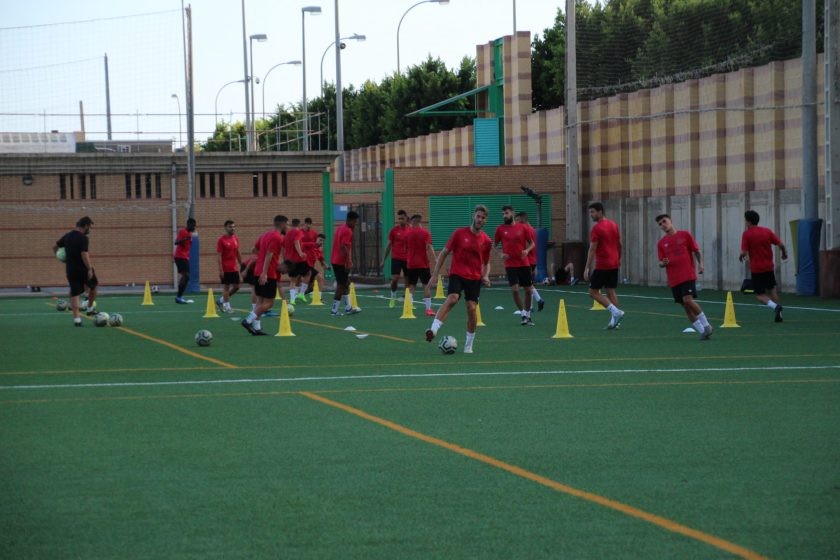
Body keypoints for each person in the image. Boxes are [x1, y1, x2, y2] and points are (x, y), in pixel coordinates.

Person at [425, 205, 492, 354]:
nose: (480, 219)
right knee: (453, 298)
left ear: (485, 221)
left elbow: (487, 263)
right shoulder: (459, 233)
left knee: (471, 308)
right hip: (457, 274)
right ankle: (433, 330)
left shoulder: (486, 241)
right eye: (478, 216)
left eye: (483, 217)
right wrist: (435, 274)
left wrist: (486, 275)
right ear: (473, 216)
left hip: (474, 278)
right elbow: (444, 253)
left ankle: (468, 345)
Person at [656, 214, 713, 340]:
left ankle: (707, 325)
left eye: (664, 221)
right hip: (674, 279)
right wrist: (662, 263)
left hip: (687, 274)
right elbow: (660, 262)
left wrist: (701, 265)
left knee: (688, 300)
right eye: (660, 224)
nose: (663, 225)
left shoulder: (685, 235)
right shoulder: (661, 243)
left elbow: (696, 251)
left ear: (671, 220)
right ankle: (702, 331)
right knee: (686, 307)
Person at [241, 215, 287, 335]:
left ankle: (257, 328)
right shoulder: (277, 237)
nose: (287, 227)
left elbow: (254, 249)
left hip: (257, 271)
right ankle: (248, 320)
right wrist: (265, 273)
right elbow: (269, 255)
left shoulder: (265, 235)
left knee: (260, 301)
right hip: (268, 273)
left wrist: (261, 262)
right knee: (269, 302)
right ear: (282, 224)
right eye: (286, 224)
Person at [740, 210, 788, 322]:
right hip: (769, 267)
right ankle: (779, 315)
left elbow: (744, 252)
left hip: (757, 269)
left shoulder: (747, 234)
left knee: (760, 295)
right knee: (772, 291)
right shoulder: (767, 231)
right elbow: (781, 244)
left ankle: (775, 307)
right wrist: (784, 254)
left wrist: (741, 256)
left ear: (748, 221)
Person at [583, 202, 625, 329]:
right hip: (614, 263)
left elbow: (592, 249)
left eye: (593, 212)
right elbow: (620, 244)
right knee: (611, 291)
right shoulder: (613, 225)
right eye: (590, 212)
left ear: (600, 212)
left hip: (603, 264)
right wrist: (619, 259)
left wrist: (587, 268)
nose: (591, 215)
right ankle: (616, 322)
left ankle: (615, 311)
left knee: (592, 292)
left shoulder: (597, 228)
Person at [494, 205, 536, 325]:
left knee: (528, 290)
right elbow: (494, 246)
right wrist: (500, 254)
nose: (504, 216)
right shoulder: (500, 229)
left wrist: (526, 251)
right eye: (503, 214)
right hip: (510, 264)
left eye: (506, 213)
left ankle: (528, 315)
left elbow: (532, 244)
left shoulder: (523, 228)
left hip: (524, 263)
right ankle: (523, 314)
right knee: (515, 290)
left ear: (512, 213)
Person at [53, 216, 98, 326]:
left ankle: (77, 320)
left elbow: (55, 247)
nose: (89, 230)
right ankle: (90, 309)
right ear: (86, 226)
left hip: (71, 269)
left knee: (74, 293)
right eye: (89, 227)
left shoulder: (67, 236)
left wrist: (61, 258)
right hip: (83, 269)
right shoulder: (83, 238)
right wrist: (89, 269)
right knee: (93, 286)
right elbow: (84, 254)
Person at [405, 214, 437, 316]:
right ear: (420, 221)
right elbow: (430, 248)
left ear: (412, 221)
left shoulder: (407, 234)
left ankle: (409, 309)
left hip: (411, 264)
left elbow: (406, 248)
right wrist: (436, 260)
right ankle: (428, 310)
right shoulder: (426, 233)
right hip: (423, 264)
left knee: (411, 286)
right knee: (426, 286)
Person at [330, 211, 361, 316]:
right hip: (340, 262)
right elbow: (343, 247)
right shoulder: (348, 231)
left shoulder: (340, 227)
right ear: (351, 220)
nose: (355, 224)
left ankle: (348, 308)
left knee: (346, 283)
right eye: (355, 222)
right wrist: (348, 262)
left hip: (335, 260)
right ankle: (334, 311)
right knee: (341, 286)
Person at [515, 211, 546, 310]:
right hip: (532, 260)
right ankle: (537, 302)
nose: (516, 223)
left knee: (526, 285)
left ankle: (533, 305)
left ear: (523, 220)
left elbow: (527, 246)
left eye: (517, 220)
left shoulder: (526, 230)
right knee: (528, 284)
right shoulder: (531, 229)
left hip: (527, 261)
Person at [381, 209, 410, 308]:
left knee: (408, 280)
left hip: (408, 259)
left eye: (402, 218)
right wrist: (383, 260)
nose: (400, 220)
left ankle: (407, 300)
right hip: (396, 258)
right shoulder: (394, 230)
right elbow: (389, 246)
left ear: (406, 219)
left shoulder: (410, 230)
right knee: (395, 279)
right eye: (399, 219)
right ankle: (393, 296)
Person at [216, 220, 242, 313]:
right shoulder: (221, 240)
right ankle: (227, 307)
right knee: (226, 287)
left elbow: (237, 252)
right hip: (225, 268)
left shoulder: (235, 238)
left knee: (237, 287)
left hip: (234, 268)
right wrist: (220, 270)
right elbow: (219, 255)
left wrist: (241, 264)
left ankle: (221, 301)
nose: (233, 228)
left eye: (234, 226)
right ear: (226, 228)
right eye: (230, 227)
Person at [284, 218, 309, 304]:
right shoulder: (298, 232)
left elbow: (284, 246)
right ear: (299, 225)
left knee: (293, 280)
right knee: (308, 274)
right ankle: (301, 293)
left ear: (292, 224)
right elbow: (296, 241)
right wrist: (300, 253)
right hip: (298, 259)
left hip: (289, 259)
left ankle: (292, 299)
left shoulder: (287, 234)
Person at [173, 218, 196, 304]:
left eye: (195, 225)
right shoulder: (183, 232)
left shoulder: (190, 233)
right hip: (179, 257)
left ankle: (179, 296)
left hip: (185, 257)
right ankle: (179, 297)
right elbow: (176, 242)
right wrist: (184, 239)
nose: (194, 227)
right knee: (186, 276)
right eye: (193, 225)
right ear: (188, 224)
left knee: (186, 277)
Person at [298, 217, 319, 302]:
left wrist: (317, 249)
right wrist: (311, 244)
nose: (309, 225)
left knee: (311, 276)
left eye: (310, 224)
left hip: (311, 258)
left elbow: (317, 244)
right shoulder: (299, 232)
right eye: (307, 224)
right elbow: (299, 243)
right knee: (300, 276)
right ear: (305, 224)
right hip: (302, 258)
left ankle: (306, 293)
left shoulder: (314, 233)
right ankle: (298, 293)